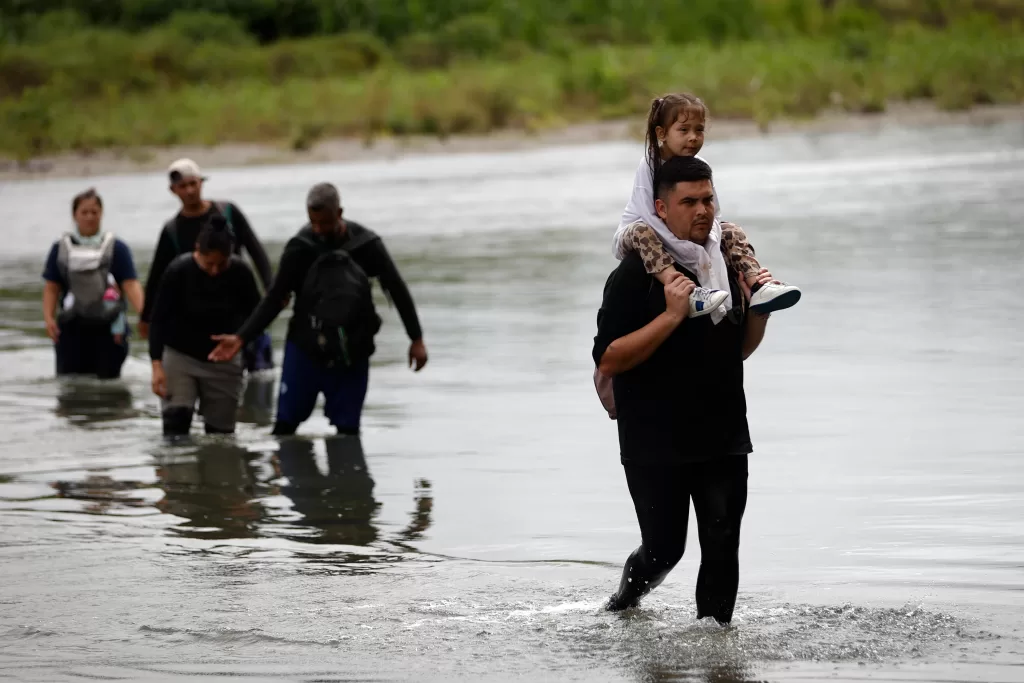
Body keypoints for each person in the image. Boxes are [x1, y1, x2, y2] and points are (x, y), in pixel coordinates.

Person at [593, 156, 774, 623]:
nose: (702, 210)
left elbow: (735, 352)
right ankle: (622, 607)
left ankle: (717, 652)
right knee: (663, 551)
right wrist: (672, 316)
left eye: (708, 199)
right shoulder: (637, 274)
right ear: (661, 207)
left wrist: (758, 313)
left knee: (721, 543)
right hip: (655, 441)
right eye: (688, 201)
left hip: (723, 433)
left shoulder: (723, 266)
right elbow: (609, 359)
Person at [208, 182, 428, 436]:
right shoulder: (300, 248)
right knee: (284, 429)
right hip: (305, 348)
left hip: (352, 349)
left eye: (325, 223)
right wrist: (241, 337)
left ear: (340, 213)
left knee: (348, 432)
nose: (319, 229)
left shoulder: (367, 244)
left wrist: (416, 338)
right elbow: (274, 299)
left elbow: (397, 290)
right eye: (313, 222)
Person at [615, 93, 801, 319]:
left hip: (679, 229)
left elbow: (715, 214)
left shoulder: (700, 165)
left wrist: (709, 244)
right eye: (684, 130)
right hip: (640, 233)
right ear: (662, 134)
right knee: (641, 232)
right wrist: (687, 250)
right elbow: (648, 215)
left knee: (730, 230)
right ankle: (686, 291)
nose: (693, 137)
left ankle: (757, 286)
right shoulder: (649, 165)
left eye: (699, 130)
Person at [139, 158, 275, 372]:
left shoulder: (228, 212)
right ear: (173, 190)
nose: (190, 191)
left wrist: (270, 287)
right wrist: (146, 317)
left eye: (193, 184)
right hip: (196, 313)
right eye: (183, 186)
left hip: (237, 305)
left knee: (257, 374)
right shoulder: (172, 230)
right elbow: (157, 276)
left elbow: (255, 249)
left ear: (202, 183)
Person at [148, 215, 262, 436]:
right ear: (197, 249)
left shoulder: (240, 272)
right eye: (209, 264)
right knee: (175, 430)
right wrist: (156, 366)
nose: (215, 271)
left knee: (221, 438)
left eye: (222, 264)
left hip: (225, 360)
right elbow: (158, 320)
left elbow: (257, 315)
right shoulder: (177, 271)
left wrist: (242, 340)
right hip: (180, 357)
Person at [42, 188, 145, 380]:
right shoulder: (60, 249)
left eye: (94, 212)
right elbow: (52, 287)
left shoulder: (117, 248)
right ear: (75, 215)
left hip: (110, 328)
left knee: (109, 386)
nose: (90, 217)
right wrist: (48, 319)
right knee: (70, 384)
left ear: (101, 214)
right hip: (72, 328)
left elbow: (130, 284)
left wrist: (145, 316)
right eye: (84, 212)